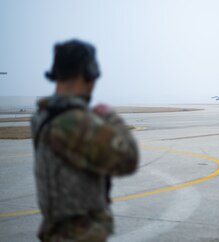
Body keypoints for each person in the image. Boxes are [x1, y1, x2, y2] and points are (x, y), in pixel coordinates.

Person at [31, 39, 139, 242]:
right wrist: (110, 117)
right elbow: (129, 159)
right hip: (80, 235)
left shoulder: (42, 117)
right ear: (88, 73)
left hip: (55, 231)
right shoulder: (73, 122)